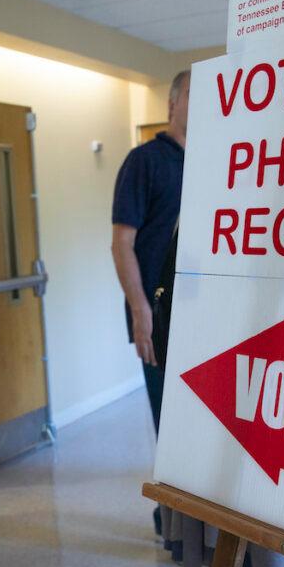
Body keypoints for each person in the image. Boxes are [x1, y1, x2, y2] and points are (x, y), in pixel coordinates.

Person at [111, 69, 190, 434]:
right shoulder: (145, 161)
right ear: (172, 103)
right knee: (173, 431)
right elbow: (121, 243)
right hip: (160, 314)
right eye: (194, 94)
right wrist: (141, 310)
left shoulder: (220, 161)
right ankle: (168, 494)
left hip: (204, 313)